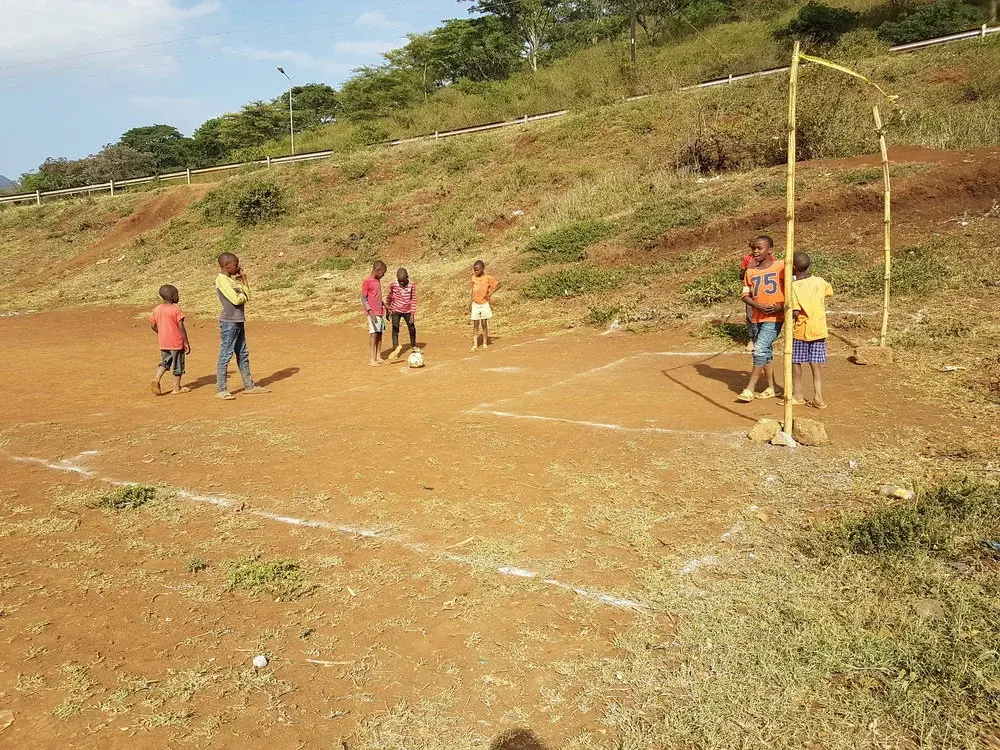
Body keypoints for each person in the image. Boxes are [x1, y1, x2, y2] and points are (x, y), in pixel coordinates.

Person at [215, 252, 269, 400]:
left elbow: (247, 295)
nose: (238, 267)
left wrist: (244, 279)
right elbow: (237, 300)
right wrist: (243, 295)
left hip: (238, 321)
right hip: (229, 323)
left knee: (243, 353)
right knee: (225, 355)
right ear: (227, 265)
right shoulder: (222, 280)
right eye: (235, 264)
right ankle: (221, 389)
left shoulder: (233, 281)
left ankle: (249, 385)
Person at [738, 235, 784, 402]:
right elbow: (745, 295)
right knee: (766, 352)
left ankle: (749, 389)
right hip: (757, 317)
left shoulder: (781, 266)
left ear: (770, 250)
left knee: (759, 349)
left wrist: (780, 306)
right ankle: (773, 387)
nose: (755, 251)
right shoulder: (750, 272)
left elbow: (793, 289)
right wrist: (758, 306)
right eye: (753, 249)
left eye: (760, 248)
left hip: (774, 318)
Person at [790, 251, 834, 409]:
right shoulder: (820, 281)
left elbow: (795, 312)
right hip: (819, 328)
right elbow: (829, 292)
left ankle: (798, 395)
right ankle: (818, 397)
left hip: (802, 330)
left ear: (793, 268)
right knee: (815, 364)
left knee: (795, 361)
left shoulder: (793, 287)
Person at [149, 284, 191, 395]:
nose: (179, 296)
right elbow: (181, 326)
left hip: (163, 342)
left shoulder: (157, 309)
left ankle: (157, 378)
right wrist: (186, 342)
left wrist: (160, 332)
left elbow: (152, 325)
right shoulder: (176, 309)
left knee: (165, 362)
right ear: (172, 296)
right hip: (176, 343)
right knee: (178, 365)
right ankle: (176, 388)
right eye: (177, 294)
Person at [386, 267, 418, 361]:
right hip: (395, 310)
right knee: (395, 329)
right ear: (397, 279)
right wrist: (387, 309)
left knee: (412, 328)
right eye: (400, 281)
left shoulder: (412, 285)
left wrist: (412, 314)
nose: (402, 283)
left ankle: (413, 346)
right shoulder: (393, 284)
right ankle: (395, 349)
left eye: (403, 281)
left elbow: (413, 299)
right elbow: (389, 296)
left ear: (407, 277)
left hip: (408, 311)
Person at [361, 261, 388, 366]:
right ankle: (372, 359)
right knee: (374, 334)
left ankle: (378, 356)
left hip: (380, 312)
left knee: (380, 333)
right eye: (383, 272)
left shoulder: (377, 281)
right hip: (373, 313)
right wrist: (370, 311)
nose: (383, 275)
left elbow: (375, 297)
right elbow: (363, 298)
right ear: (378, 270)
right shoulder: (368, 281)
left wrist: (384, 305)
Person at [470, 260, 499, 351]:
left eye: (477, 270)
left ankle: (485, 343)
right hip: (475, 304)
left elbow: (498, 284)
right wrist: (470, 303)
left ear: (483, 269)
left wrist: (490, 293)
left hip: (484, 304)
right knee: (475, 324)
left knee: (484, 323)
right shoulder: (473, 278)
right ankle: (475, 345)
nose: (475, 272)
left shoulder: (487, 278)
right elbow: (472, 290)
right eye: (474, 270)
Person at [740, 241, 757, 353]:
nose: (756, 251)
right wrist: (748, 268)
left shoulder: (770, 258)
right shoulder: (747, 259)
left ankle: (760, 339)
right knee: (750, 315)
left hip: (764, 292)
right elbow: (741, 276)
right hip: (750, 292)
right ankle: (751, 340)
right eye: (753, 248)